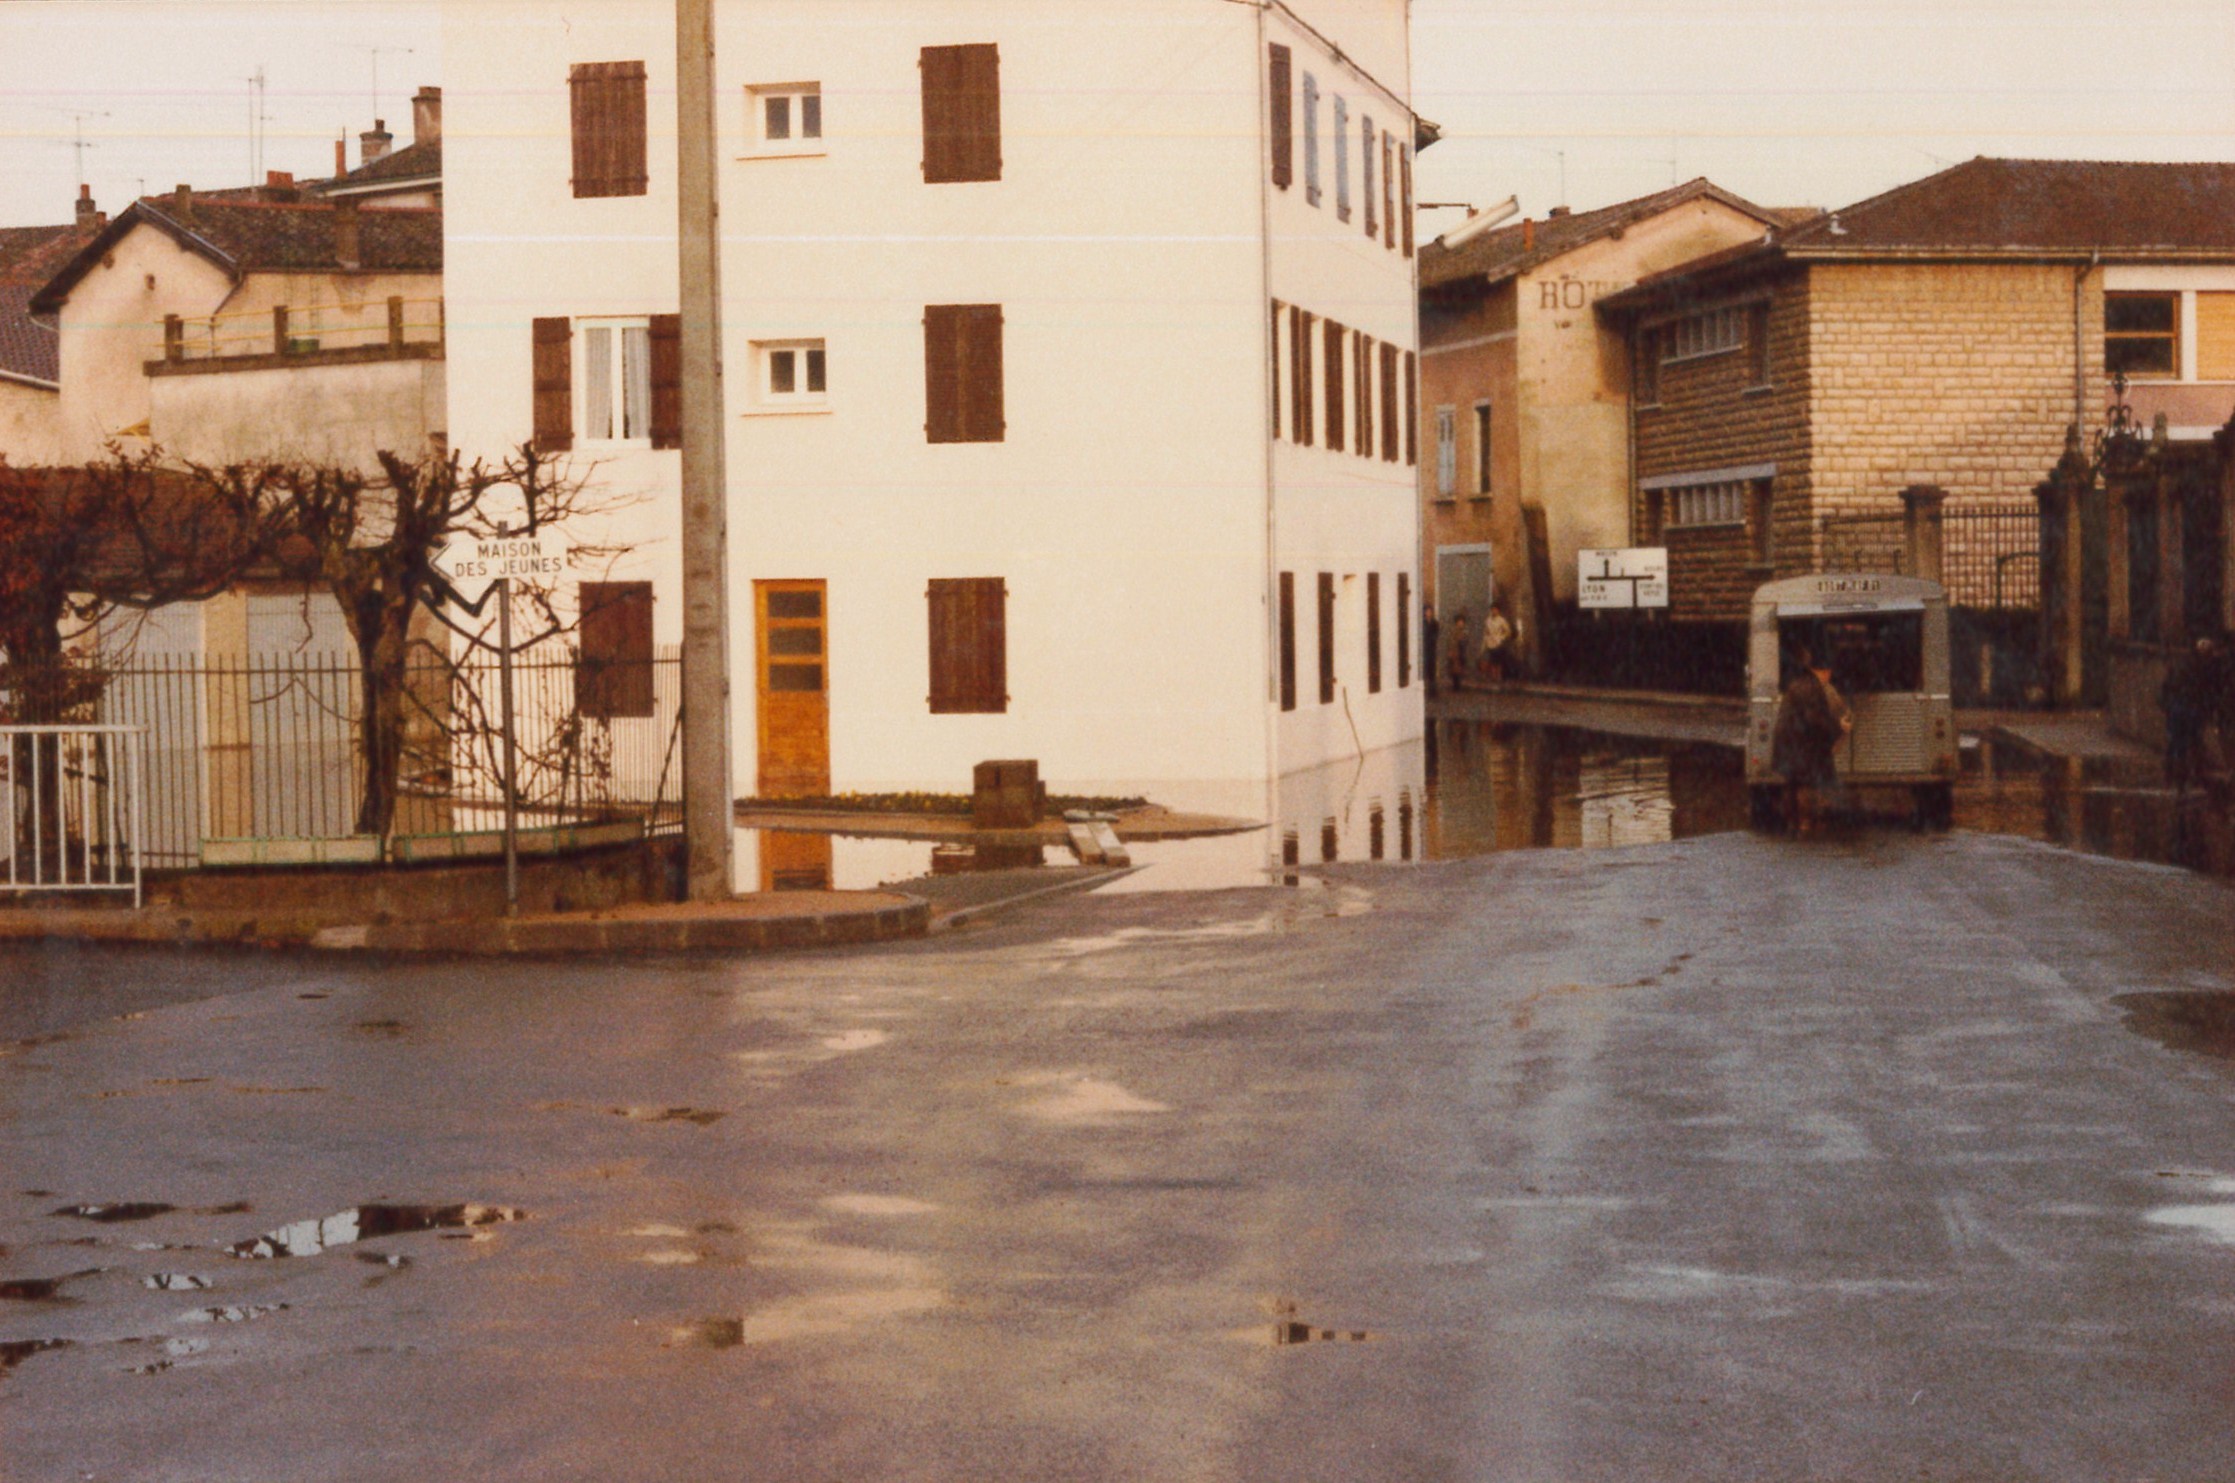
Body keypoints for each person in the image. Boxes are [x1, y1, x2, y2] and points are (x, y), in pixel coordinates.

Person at [1771, 642, 1851, 837]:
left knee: (1793, 784)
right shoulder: (1811, 688)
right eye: (1829, 672)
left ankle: (1793, 824)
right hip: (1800, 744)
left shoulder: (1800, 683)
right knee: (1805, 784)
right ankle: (1805, 825)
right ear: (1824, 671)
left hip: (1790, 743)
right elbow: (1815, 718)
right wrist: (1839, 727)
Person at [2160, 635, 2218, 797]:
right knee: (2193, 741)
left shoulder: (2181, 665)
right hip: (2190, 709)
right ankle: (2190, 776)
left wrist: (2166, 705)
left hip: (2178, 708)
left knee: (2177, 743)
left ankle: (2173, 776)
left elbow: (2167, 686)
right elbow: (2208, 692)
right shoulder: (2204, 669)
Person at [1479, 604, 1514, 685]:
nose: (1494, 611)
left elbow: (1508, 631)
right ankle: (1492, 677)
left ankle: (1498, 677)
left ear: (1498, 610)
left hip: (1498, 643)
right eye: (1492, 609)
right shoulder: (1488, 620)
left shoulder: (1502, 620)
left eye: (1495, 609)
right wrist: (1484, 643)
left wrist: (1501, 637)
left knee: (1498, 661)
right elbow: (1486, 632)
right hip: (1489, 643)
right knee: (1490, 660)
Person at [1447, 609, 1470, 693]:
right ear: (1456, 622)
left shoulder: (1465, 631)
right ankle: (1455, 685)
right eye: (1459, 622)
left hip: (1462, 651)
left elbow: (1466, 641)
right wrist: (1450, 651)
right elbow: (1450, 641)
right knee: (1454, 668)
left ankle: (1459, 684)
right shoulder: (1453, 631)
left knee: (1461, 668)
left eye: (1462, 622)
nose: (1460, 623)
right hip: (1455, 651)